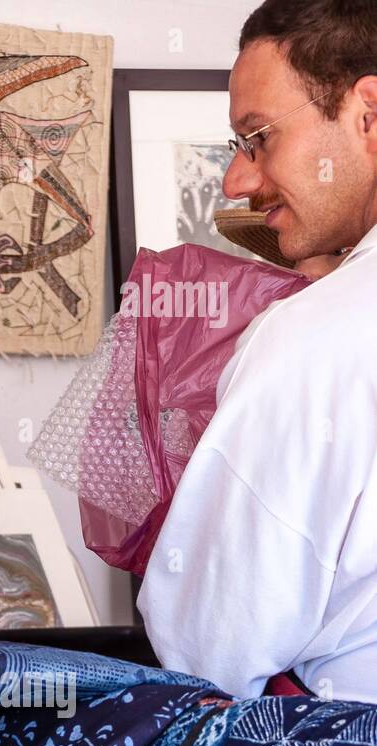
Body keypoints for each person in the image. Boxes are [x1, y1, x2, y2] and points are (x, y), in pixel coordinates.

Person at [139, 0, 377, 702]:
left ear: (368, 114)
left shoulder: (316, 336)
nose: (237, 183)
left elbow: (208, 643)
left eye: (258, 138)